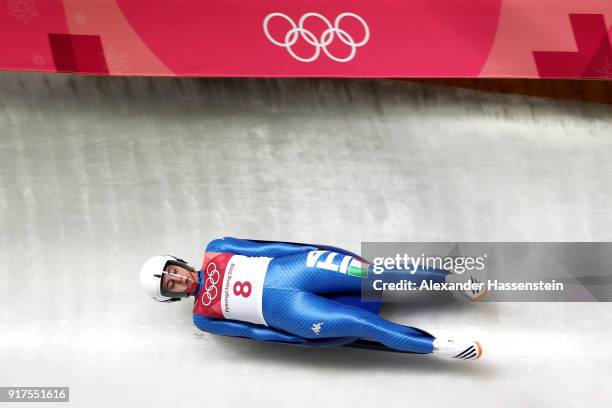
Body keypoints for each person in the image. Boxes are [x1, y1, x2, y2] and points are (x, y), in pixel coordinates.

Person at [140, 237, 484, 360]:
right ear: (173, 297)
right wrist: (297, 338)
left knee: (370, 273)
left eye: (173, 272)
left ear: (179, 263)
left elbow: (269, 248)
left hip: (297, 270)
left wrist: (313, 253)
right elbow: (254, 333)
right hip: (289, 313)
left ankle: (452, 280)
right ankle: (439, 347)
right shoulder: (203, 319)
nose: (177, 280)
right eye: (171, 286)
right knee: (361, 323)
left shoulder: (216, 248)